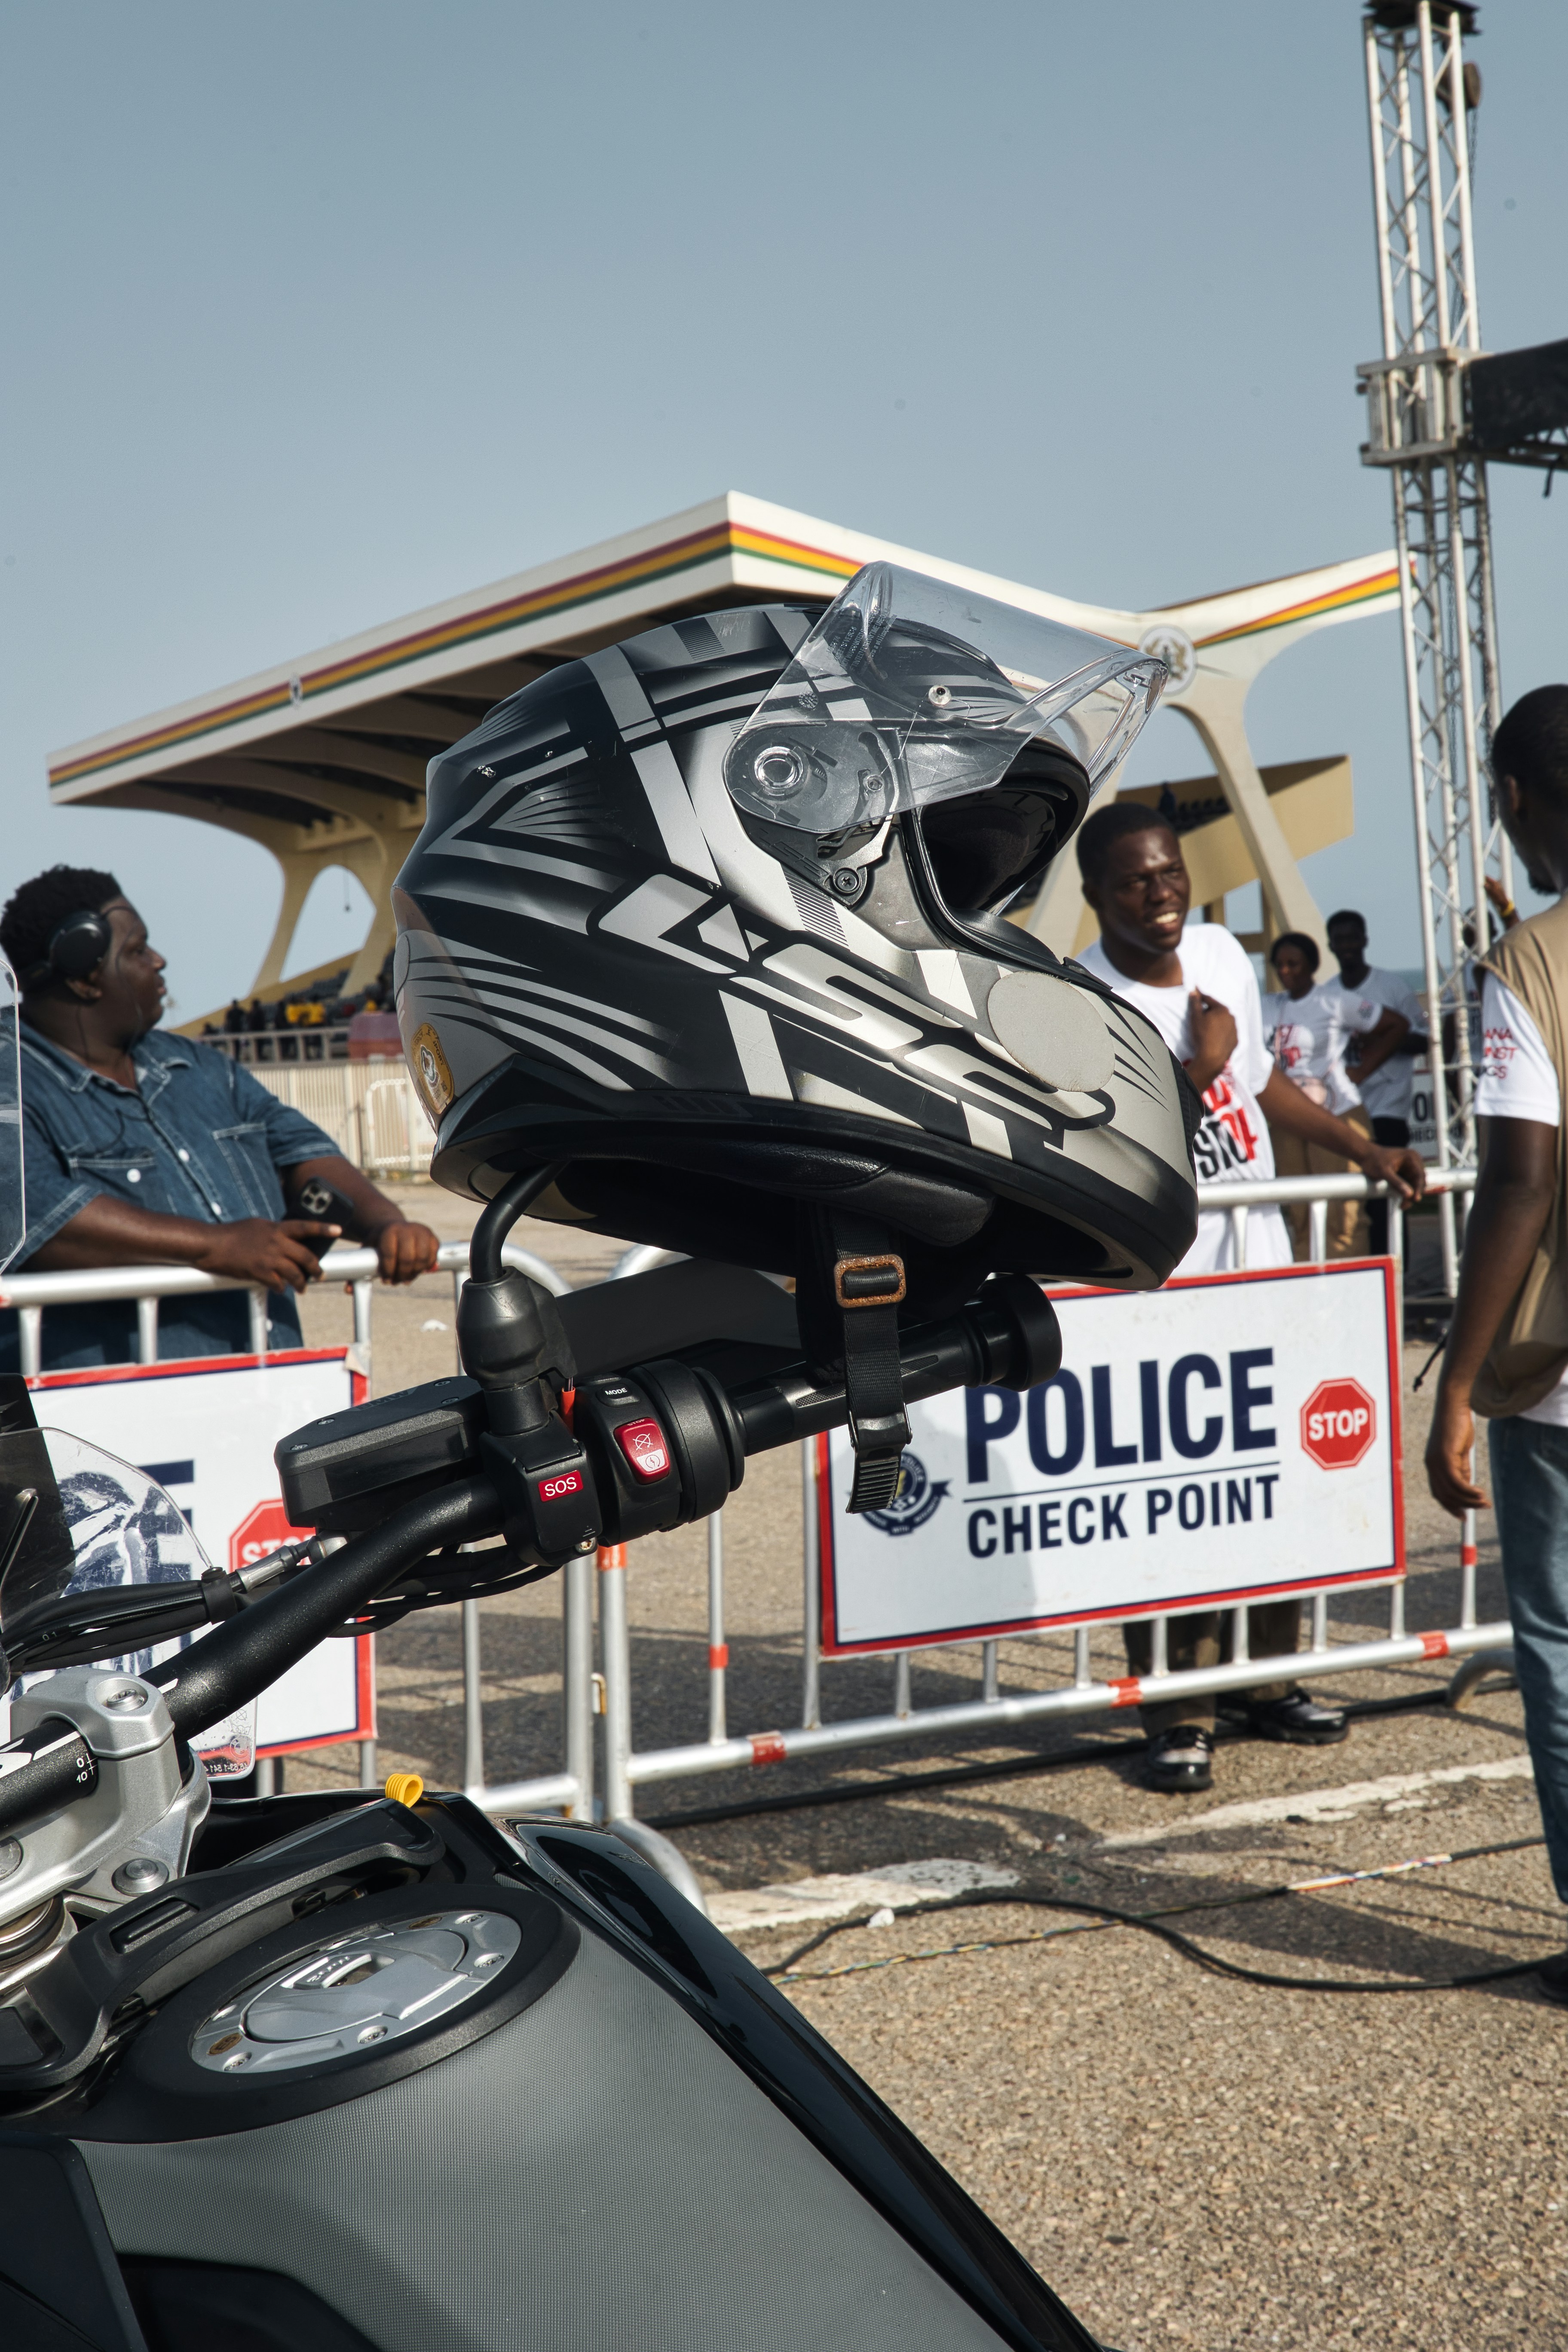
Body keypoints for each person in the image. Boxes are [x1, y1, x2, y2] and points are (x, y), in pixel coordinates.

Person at [1075, 801, 1427, 1791]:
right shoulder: (1081, 1000)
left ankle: (1269, 1676)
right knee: (1173, 1499)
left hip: (1258, 1269)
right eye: (1137, 881)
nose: (1162, 894)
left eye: (1172, 872)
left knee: (1274, 1479)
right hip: (1166, 1288)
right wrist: (1201, 1063)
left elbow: (1267, 1084)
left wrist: (1365, 1147)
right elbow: (1106, 1141)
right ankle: (1177, 1709)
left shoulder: (1226, 954)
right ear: (1095, 894)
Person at [0, 865, 440, 1372]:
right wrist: (217, 1248)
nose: (159, 961)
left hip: (258, 1398)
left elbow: (302, 1154)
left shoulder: (202, 1067)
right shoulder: (9, 1079)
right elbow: (35, 1215)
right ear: (83, 975)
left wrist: (385, 1224)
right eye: (138, 950)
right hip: (105, 1424)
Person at [1424, 684, 1568, 2005]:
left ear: (1515, 801)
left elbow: (1519, 1184)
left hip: (1565, 1399)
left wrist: (1456, 1384)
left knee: (1566, 1646)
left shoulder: (1528, 967)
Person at [1262, 930, 1409, 1259]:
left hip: (1338, 1113)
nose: (1286, 971)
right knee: (1300, 1216)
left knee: (1344, 1217)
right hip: (1290, 1120)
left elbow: (1397, 1025)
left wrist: (1360, 1071)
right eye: (1280, 965)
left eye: (1294, 964)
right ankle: (1308, 1290)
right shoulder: (1268, 1007)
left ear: (1312, 965)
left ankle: (1351, 1289)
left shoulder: (1335, 1001)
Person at [1325, 909, 1428, 1254]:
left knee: (1392, 1198)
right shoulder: (1327, 994)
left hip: (1388, 1109)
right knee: (1353, 1204)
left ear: (1365, 940)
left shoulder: (1392, 987)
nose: (1348, 946)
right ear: (1331, 946)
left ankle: (1399, 1274)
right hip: (1348, 1110)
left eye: (1353, 938)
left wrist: (1382, 1041)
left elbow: (1424, 1040)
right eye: (1340, 940)